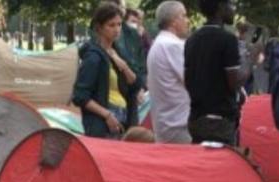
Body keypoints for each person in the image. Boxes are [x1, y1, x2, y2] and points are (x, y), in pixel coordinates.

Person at [73, 2, 142, 139]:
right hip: (103, 125)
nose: (117, 29)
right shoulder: (93, 57)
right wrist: (107, 115)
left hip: (124, 122)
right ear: (99, 27)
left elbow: (135, 85)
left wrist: (123, 65)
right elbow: (80, 96)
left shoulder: (119, 52)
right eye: (111, 25)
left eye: (119, 24)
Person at [184, 0, 242, 145]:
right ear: (220, 7)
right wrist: (251, 57)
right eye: (231, 4)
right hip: (220, 121)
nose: (234, 9)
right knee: (222, 159)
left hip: (196, 117)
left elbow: (187, 80)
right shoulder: (228, 39)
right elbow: (234, 83)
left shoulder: (192, 40)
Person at [146, 0, 191, 144]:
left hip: (165, 124)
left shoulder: (159, 44)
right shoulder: (173, 45)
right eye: (184, 16)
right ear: (173, 21)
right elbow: (193, 81)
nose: (187, 21)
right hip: (179, 125)